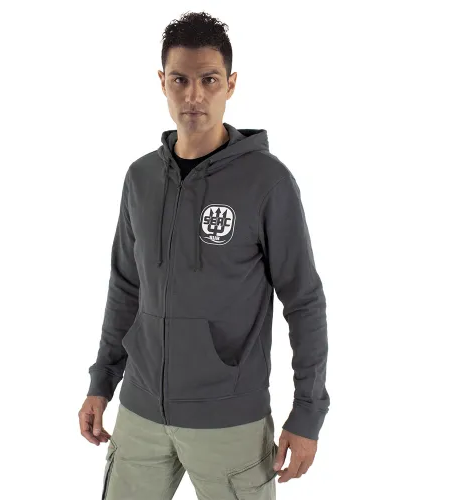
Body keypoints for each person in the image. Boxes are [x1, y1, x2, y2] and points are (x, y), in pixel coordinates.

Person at [78, 11, 330, 500]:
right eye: (180, 80)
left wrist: (308, 412)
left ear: (230, 85)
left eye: (209, 80)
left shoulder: (268, 182)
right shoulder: (140, 178)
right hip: (140, 413)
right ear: (162, 82)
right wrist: (102, 381)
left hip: (229, 421)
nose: (193, 95)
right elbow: (125, 286)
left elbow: (304, 301)